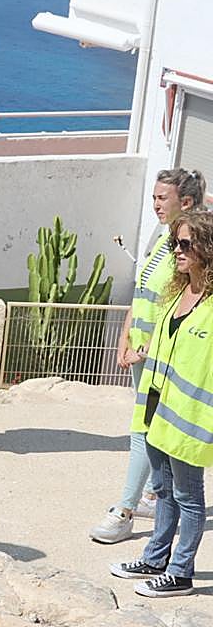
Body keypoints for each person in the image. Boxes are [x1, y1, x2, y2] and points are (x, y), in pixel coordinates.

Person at [91, 168, 206, 543]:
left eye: (162, 198)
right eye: (154, 197)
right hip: (141, 355)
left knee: (143, 431)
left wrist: (148, 348)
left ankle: (124, 511)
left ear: (185, 202)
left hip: (159, 358)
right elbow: (142, 294)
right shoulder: (163, 240)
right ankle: (153, 496)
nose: (155, 204)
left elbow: (179, 304)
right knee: (146, 430)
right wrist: (125, 340)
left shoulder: (188, 251)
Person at [111, 209, 213, 598]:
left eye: (185, 244)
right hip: (157, 409)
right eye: (174, 243)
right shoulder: (178, 291)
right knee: (163, 491)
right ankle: (155, 558)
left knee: (189, 497)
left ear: (207, 248)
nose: (178, 251)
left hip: (189, 419)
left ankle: (180, 572)